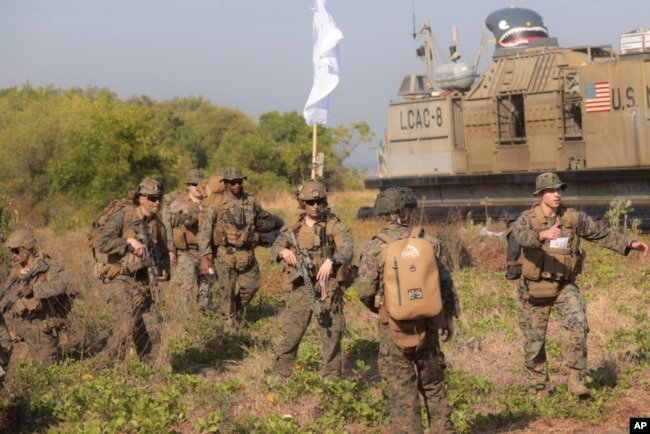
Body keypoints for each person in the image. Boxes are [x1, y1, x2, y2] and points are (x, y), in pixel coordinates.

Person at [511, 172, 648, 397]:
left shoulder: (573, 218)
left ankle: (575, 379)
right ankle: (539, 387)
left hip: (564, 286)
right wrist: (543, 234)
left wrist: (630, 243)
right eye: (551, 190)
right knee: (534, 340)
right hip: (534, 287)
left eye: (559, 189)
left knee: (578, 325)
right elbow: (519, 236)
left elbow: (600, 234)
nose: (557, 194)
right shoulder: (527, 218)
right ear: (540, 194)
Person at [357, 187, 460, 433]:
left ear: (383, 212)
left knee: (401, 387)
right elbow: (445, 283)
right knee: (433, 383)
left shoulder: (375, 247)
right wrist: (448, 317)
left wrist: (385, 307)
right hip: (429, 323)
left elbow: (364, 290)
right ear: (407, 210)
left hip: (393, 327)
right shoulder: (430, 241)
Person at [271, 179, 353, 378]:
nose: (316, 206)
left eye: (320, 202)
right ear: (303, 203)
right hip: (301, 286)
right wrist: (283, 251)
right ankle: (280, 374)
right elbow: (275, 246)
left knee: (330, 333)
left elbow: (347, 248)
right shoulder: (294, 227)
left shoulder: (333, 225)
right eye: (310, 202)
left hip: (328, 286)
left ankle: (331, 377)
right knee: (292, 332)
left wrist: (332, 260)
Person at [97, 178, 170, 364]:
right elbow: (102, 243)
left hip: (144, 282)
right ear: (141, 198)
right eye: (153, 198)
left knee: (153, 333)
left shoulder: (158, 225)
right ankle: (109, 368)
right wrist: (128, 242)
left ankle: (149, 373)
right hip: (119, 278)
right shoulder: (124, 216)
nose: (157, 202)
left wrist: (164, 269)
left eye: (159, 198)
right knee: (124, 325)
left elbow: (163, 252)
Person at [199, 167, 268, 328]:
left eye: (239, 181)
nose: (237, 185)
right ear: (226, 183)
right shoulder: (217, 204)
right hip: (225, 253)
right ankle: (228, 325)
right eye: (233, 182)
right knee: (227, 292)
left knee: (252, 286)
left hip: (247, 252)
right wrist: (205, 257)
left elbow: (263, 221)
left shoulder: (251, 201)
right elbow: (206, 230)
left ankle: (233, 310)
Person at [1, 229, 71, 364]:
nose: (13, 255)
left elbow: (61, 284)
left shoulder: (46, 266)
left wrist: (34, 289)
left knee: (48, 369)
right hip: (19, 328)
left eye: (16, 251)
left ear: (27, 248)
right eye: (12, 252)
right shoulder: (16, 270)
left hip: (41, 327)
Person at [163, 169, 210, 308]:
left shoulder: (210, 202)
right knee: (185, 288)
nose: (198, 187)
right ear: (188, 185)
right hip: (185, 253)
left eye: (201, 184)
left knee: (206, 289)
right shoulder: (178, 204)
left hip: (206, 253)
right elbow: (168, 227)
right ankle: (184, 322)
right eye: (194, 184)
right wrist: (170, 250)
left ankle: (204, 319)